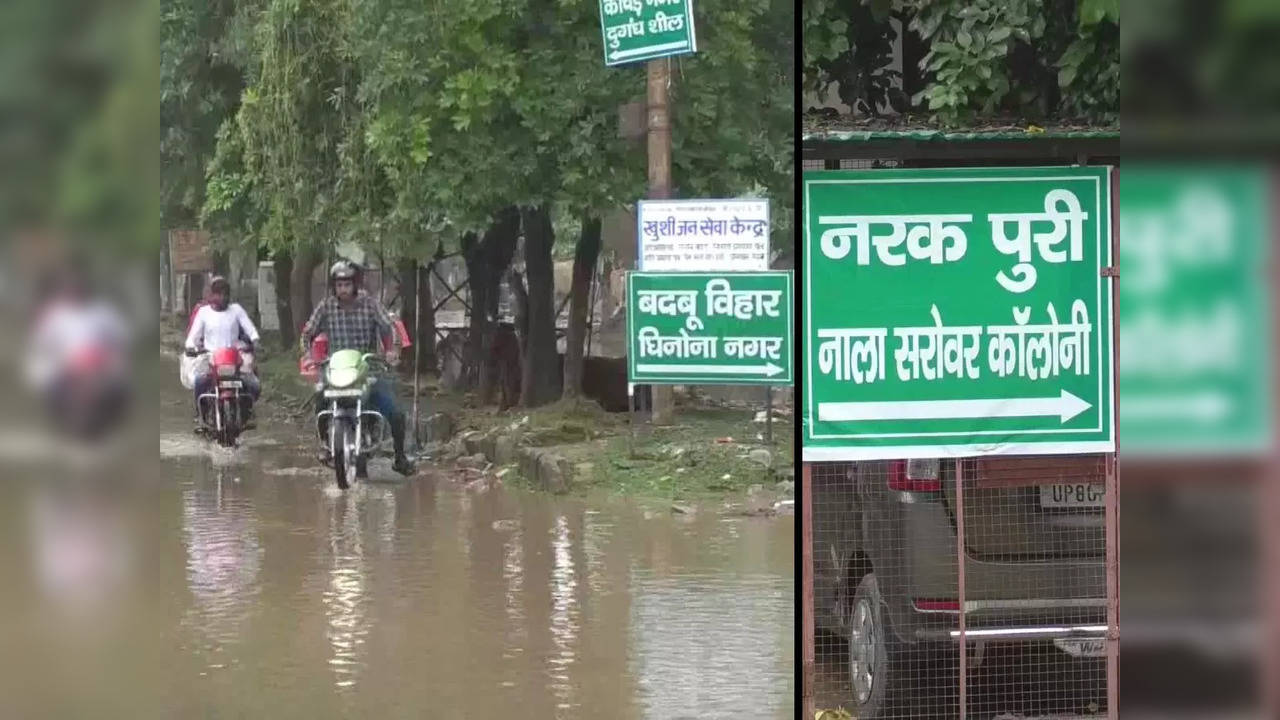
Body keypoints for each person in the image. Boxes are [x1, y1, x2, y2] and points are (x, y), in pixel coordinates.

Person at [301, 260, 415, 476]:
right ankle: (326, 445)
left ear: (355, 284)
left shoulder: (371, 304)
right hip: (335, 370)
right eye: (339, 285)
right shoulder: (325, 306)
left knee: (396, 413)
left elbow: (387, 327)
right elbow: (307, 333)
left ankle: (400, 457)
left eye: (347, 284)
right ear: (333, 286)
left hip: (368, 368)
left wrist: (391, 351)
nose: (343, 289)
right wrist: (309, 355)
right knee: (319, 400)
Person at [184, 275, 261, 425]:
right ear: (211, 295)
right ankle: (200, 414)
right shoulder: (203, 312)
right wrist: (191, 347)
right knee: (200, 382)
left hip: (235, 357)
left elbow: (250, 329)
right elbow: (193, 337)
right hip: (210, 357)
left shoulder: (236, 310)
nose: (223, 296)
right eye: (218, 293)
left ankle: (248, 411)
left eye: (225, 293)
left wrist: (255, 341)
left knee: (253, 385)